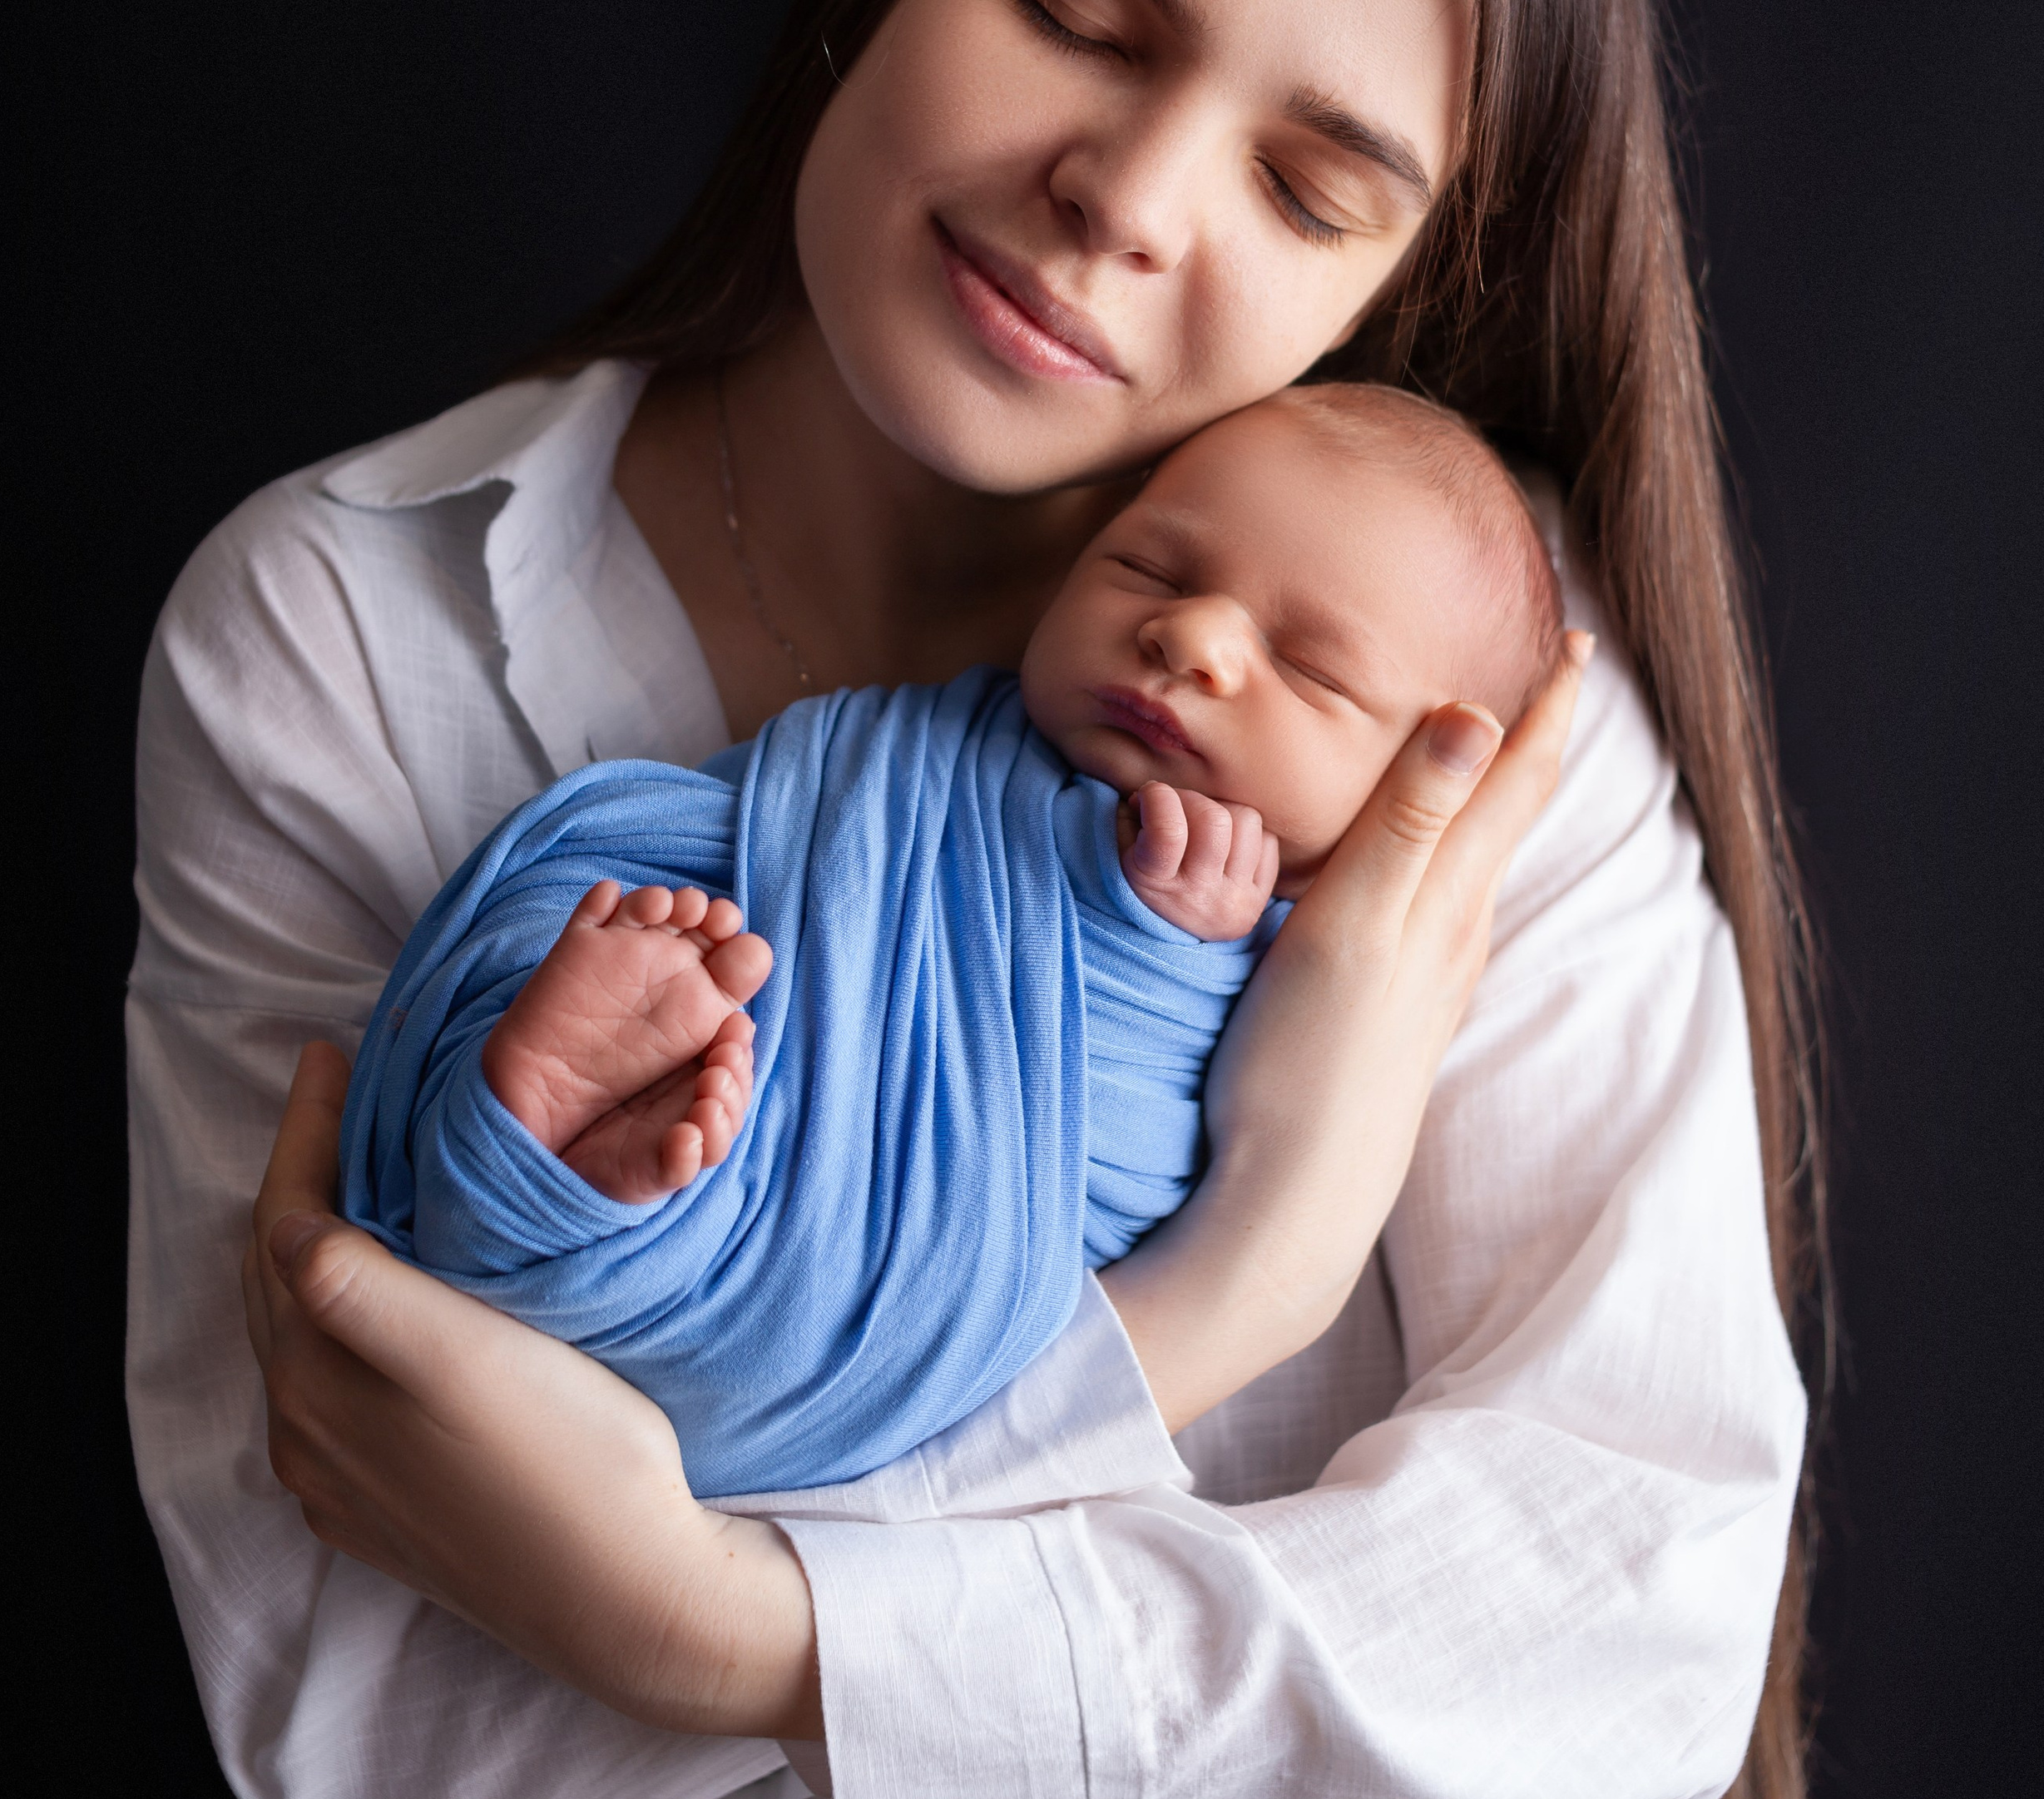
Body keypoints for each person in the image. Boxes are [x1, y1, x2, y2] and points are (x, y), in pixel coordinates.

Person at [128, 0, 1828, 1799]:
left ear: (1412, 281)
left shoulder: (1473, 729)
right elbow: (383, 1766)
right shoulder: (356, 634)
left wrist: (713, 1628)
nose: (1125, 198)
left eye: (1311, 175)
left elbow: (1634, 1603)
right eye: (1079, 5)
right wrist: (1246, 1287)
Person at [339, 386, 1566, 1504]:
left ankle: (579, 1185)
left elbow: (1125, 1141)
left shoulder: (1327, 958)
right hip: (762, 1017)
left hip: (906, 1227)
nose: (1192, 637)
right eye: (1147, 566)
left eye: (1307, 669)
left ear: (1425, 787)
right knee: (618, 915)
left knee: (760, 1252)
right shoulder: (931, 756)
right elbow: (787, 832)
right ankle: (560, 1138)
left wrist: (1173, 952)